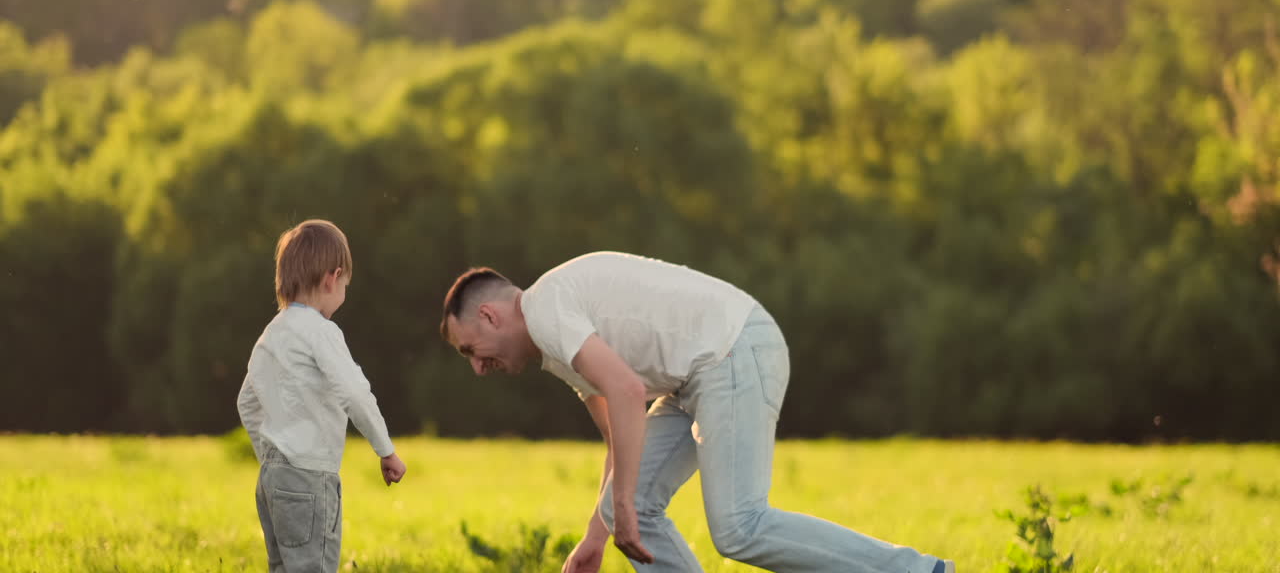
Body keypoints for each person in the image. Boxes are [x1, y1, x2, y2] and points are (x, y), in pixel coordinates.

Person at [439, 250, 955, 573]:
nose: (478, 369)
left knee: (738, 527)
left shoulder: (545, 311)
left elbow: (623, 390)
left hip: (732, 351)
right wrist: (597, 536)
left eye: (470, 351)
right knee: (631, 506)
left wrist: (618, 510)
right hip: (698, 376)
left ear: (489, 314)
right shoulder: (558, 345)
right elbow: (621, 437)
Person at [237, 219, 407, 572]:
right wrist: (385, 449)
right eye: (345, 283)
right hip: (310, 478)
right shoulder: (321, 332)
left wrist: (272, 457)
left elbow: (247, 403)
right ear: (333, 277)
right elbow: (355, 393)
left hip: (271, 479)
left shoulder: (270, 334)